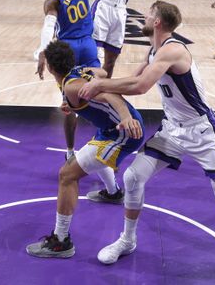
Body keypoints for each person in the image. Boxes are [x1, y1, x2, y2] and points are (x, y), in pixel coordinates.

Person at [78, 1, 215, 283]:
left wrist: (100, 86)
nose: (144, 17)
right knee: (134, 177)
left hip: (201, 132)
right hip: (173, 130)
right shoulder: (154, 50)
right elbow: (129, 80)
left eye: (148, 14)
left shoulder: (173, 49)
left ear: (157, 21)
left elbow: (140, 87)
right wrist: (91, 91)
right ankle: (127, 240)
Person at [36, 0, 123, 202]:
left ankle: (72, 151)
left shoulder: (52, 1)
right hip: (89, 44)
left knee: (70, 104)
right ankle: (108, 130)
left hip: (69, 50)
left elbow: (48, 28)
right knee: (98, 92)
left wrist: (43, 53)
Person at [26, 40, 144, 258]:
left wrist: (125, 117)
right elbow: (100, 72)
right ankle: (113, 193)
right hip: (109, 128)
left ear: (51, 68)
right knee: (92, 150)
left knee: (66, 175)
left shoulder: (72, 86)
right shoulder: (79, 71)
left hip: (121, 131)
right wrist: (87, 79)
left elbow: (109, 94)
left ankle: (61, 242)